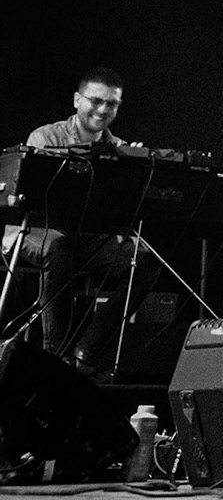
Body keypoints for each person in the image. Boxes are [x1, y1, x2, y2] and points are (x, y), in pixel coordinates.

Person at [5, 68, 140, 376]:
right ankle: (57, 359)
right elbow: (31, 199)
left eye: (112, 104)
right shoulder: (45, 137)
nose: (103, 110)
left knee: (142, 259)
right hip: (34, 231)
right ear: (77, 100)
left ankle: (88, 349)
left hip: (86, 238)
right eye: (96, 101)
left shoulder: (118, 147)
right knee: (58, 246)